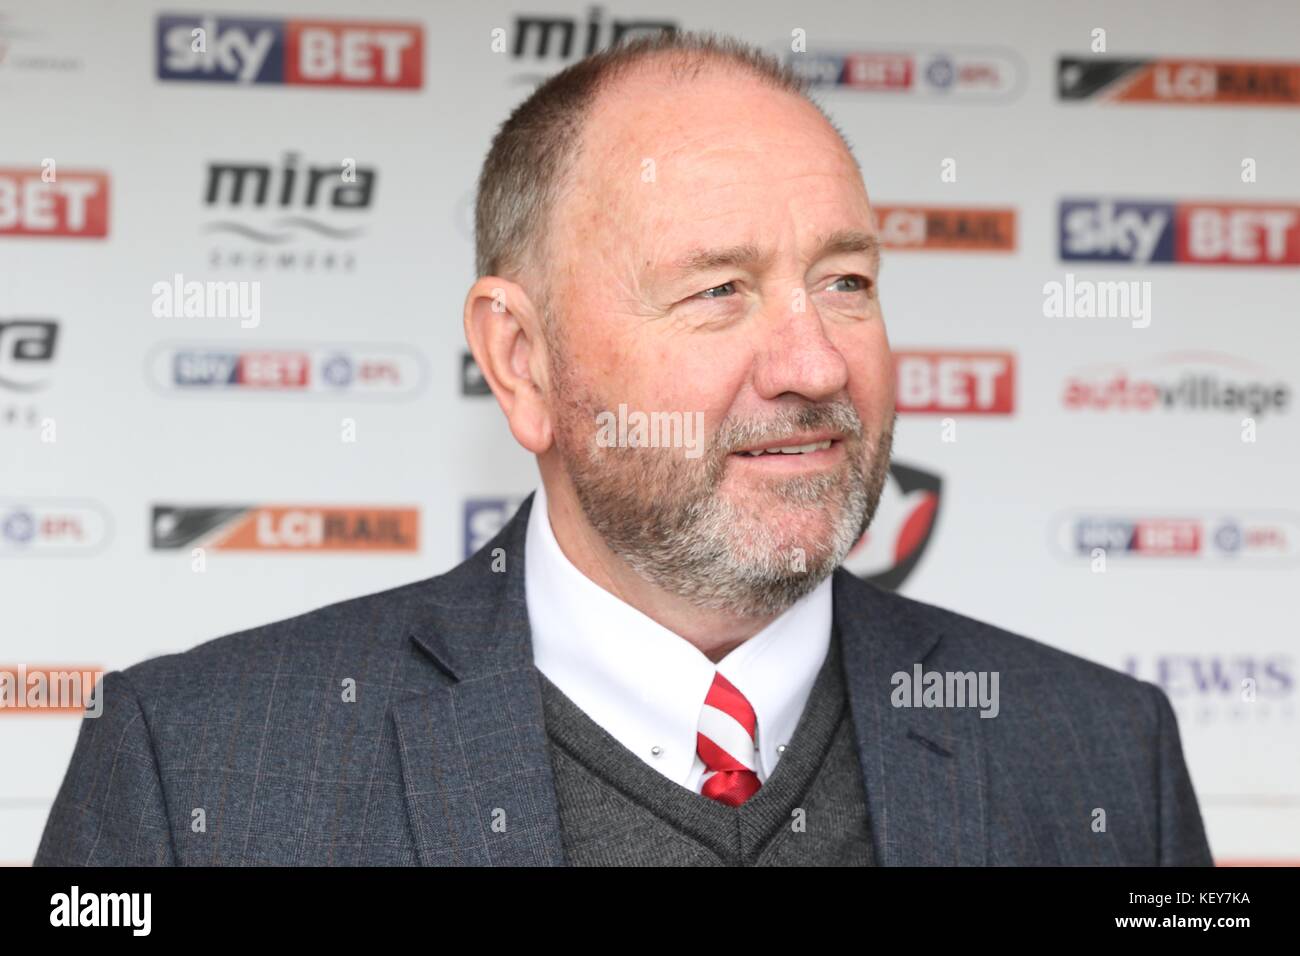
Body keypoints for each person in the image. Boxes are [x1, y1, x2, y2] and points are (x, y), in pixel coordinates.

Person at [35, 30, 1212, 866]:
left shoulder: (1102, 761)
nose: (811, 362)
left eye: (844, 280)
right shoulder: (194, 775)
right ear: (521, 361)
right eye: (716, 290)